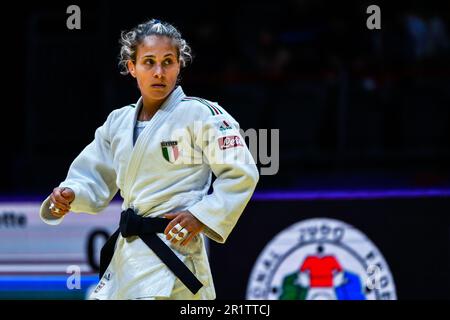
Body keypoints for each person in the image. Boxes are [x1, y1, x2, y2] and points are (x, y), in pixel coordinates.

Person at [39, 18, 259, 300]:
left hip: (175, 250)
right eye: (149, 62)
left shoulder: (202, 115)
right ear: (132, 67)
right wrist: (70, 194)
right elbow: (91, 177)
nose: (159, 72)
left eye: (168, 62)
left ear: (179, 65)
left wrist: (201, 216)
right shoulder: (117, 122)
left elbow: (242, 172)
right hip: (129, 253)